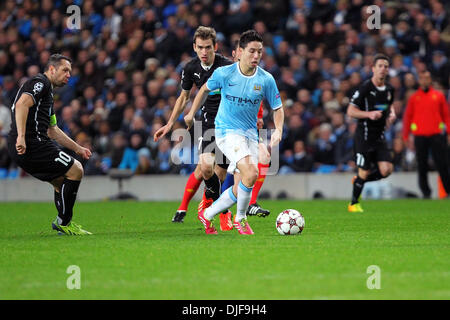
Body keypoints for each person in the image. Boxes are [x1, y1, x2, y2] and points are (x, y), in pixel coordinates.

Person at [185, 30, 284, 235]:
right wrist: (191, 112)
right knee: (252, 173)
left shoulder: (266, 79)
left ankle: (208, 213)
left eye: (259, 52)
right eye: (251, 51)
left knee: (242, 187)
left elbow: (278, 107)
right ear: (239, 51)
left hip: (250, 134)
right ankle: (240, 219)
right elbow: (203, 89)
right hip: (226, 132)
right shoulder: (224, 74)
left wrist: (279, 129)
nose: (256, 56)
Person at [153, 26, 234, 229]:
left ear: (216, 46)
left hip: (228, 124)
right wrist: (171, 123)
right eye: (200, 48)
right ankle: (217, 209)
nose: (204, 52)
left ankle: (214, 211)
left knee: (220, 175)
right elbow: (183, 97)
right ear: (194, 47)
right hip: (206, 122)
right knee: (206, 167)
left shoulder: (227, 67)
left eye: (208, 47)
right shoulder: (190, 68)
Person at [7, 54, 92, 235]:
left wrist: (78, 148)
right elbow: (22, 104)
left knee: (61, 182)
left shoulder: (48, 94)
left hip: (30, 143)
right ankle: (64, 223)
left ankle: (63, 224)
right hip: (31, 143)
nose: (69, 74)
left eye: (70, 71)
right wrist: (21, 136)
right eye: (65, 70)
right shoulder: (41, 82)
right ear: (52, 69)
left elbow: (53, 130)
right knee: (76, 170)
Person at [347, 53, 396, 212]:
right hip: (365, 137)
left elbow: (388, 105)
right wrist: (369, 114)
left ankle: (360, 181)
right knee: (364, 170)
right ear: (373, 68)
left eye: (386, 66)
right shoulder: (365, 87)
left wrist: (392, 113)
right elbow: (351, 111)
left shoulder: (389, 89)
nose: (383, 69)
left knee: (386, 170)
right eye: (380, 66)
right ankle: (353, 204)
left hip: (379, 137)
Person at [402, 70, 450, 198]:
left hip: (437, 135)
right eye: (422, 78)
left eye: (427, 78)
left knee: (442, 164)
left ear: (430, 80)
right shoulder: (414, 98)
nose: (425, 80)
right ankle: (426, 193)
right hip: (420, 135)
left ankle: (448, 190)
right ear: (419, 80)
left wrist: (449, 133)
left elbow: (446, 115)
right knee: (422, 165)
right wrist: (406, 136)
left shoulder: (438, 96)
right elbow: (408, 117)